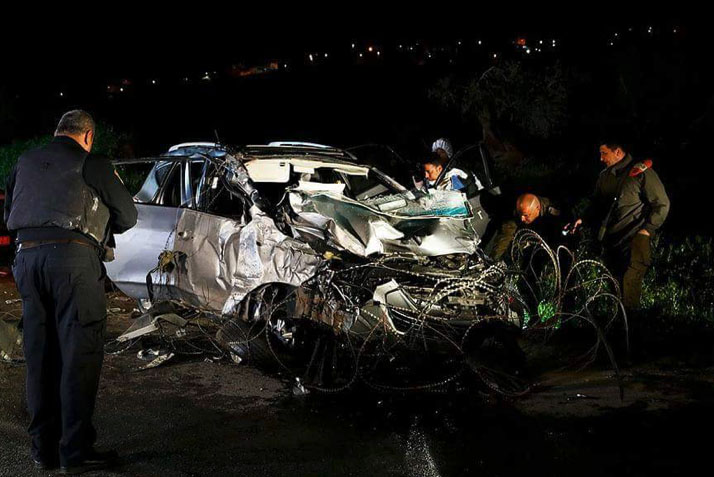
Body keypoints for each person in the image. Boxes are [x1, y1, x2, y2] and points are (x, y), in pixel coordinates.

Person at [4, 110, 137, 474]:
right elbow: (128, 216)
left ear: (57, 132)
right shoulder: (91, 163)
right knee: (78, 357)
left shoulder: (25, 162)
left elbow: (10, 214)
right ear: (88, 136)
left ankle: (42, 451)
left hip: (27, 263)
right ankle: (74, 454)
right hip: (74, 264)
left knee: (40, 357)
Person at [568, 142, 670, 310]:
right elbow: (596, 203)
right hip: (612, 243)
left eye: (604, 153)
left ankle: (632, 332)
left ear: (617, 152)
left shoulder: (641, 174)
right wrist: (583, 219)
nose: (601, 158)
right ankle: (618, 331)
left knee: (628, 292)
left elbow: (662, 204)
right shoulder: (604, 177)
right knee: (615, 292)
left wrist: (647, 230)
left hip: (634, 241)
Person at [487, 193, 569, 261]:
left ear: (537, 208)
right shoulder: (518, 213)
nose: (522, 219)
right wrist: (493, 259)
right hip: (530, 238)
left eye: (526, 215)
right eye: (520, 215)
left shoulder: (551, 211)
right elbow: (505, 236)